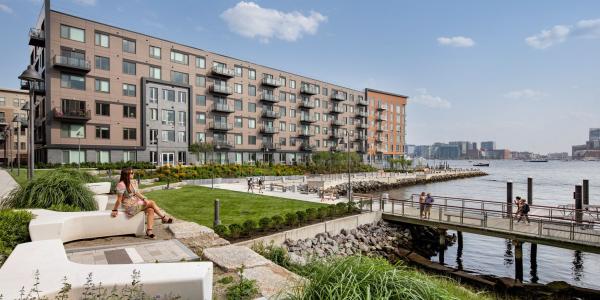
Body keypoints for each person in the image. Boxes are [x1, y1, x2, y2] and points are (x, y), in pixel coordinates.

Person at [111, 168, 173, 239]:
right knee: (152, 202)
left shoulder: (133, 182)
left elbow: (137, 193)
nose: (133, 174)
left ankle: (149, 231)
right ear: (126, 175)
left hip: (136, 203)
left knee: (151, 210)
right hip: (130, 207)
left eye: (133, 172)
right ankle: (164, 218)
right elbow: (119, 200)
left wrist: (144, 199)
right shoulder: (121, 185)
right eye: (131, 173)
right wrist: (114, 210)